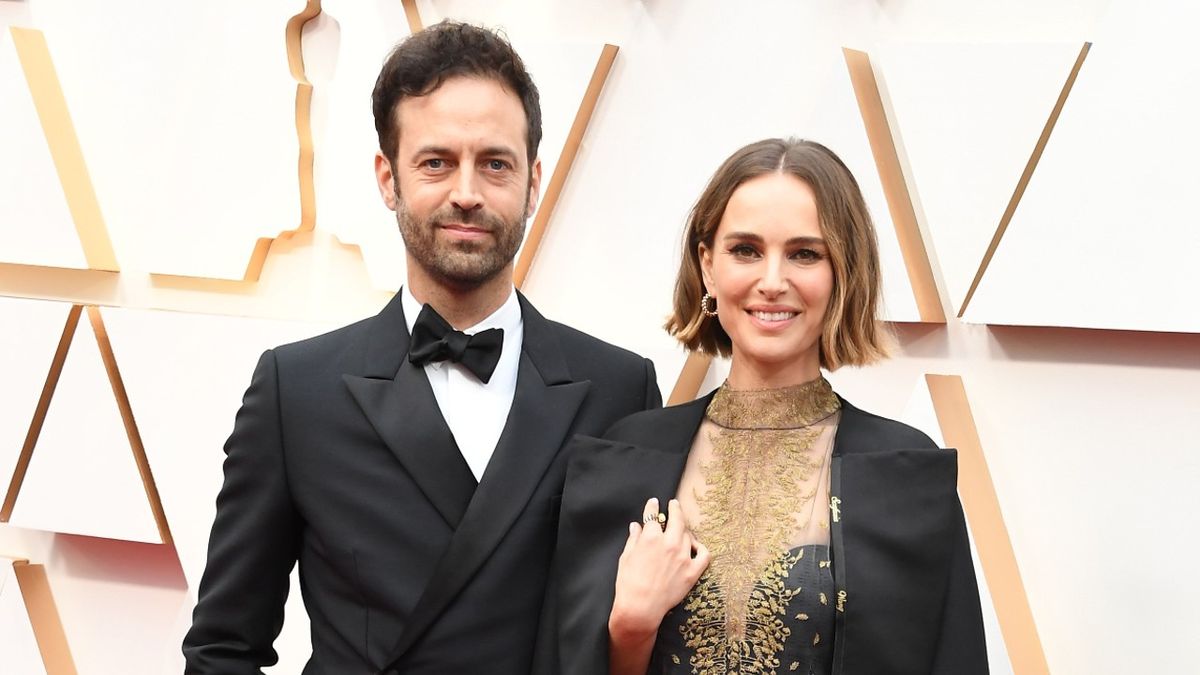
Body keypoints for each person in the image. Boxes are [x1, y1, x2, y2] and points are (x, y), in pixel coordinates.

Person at [182, 21, 661, 674]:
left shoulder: (619, 389)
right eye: (437, 162)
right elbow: (222, 649)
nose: (467, 191)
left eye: (495, 163)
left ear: (532, 181)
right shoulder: (296, 392)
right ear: (388, 178)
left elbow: (642, 637)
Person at [540, 139, 988, 674]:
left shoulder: (904, 473)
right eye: (745, 250)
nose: (772, 282)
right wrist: (631, 626)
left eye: (805, 253)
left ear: (842, 272)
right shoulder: (625, 454)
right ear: (707, 266)